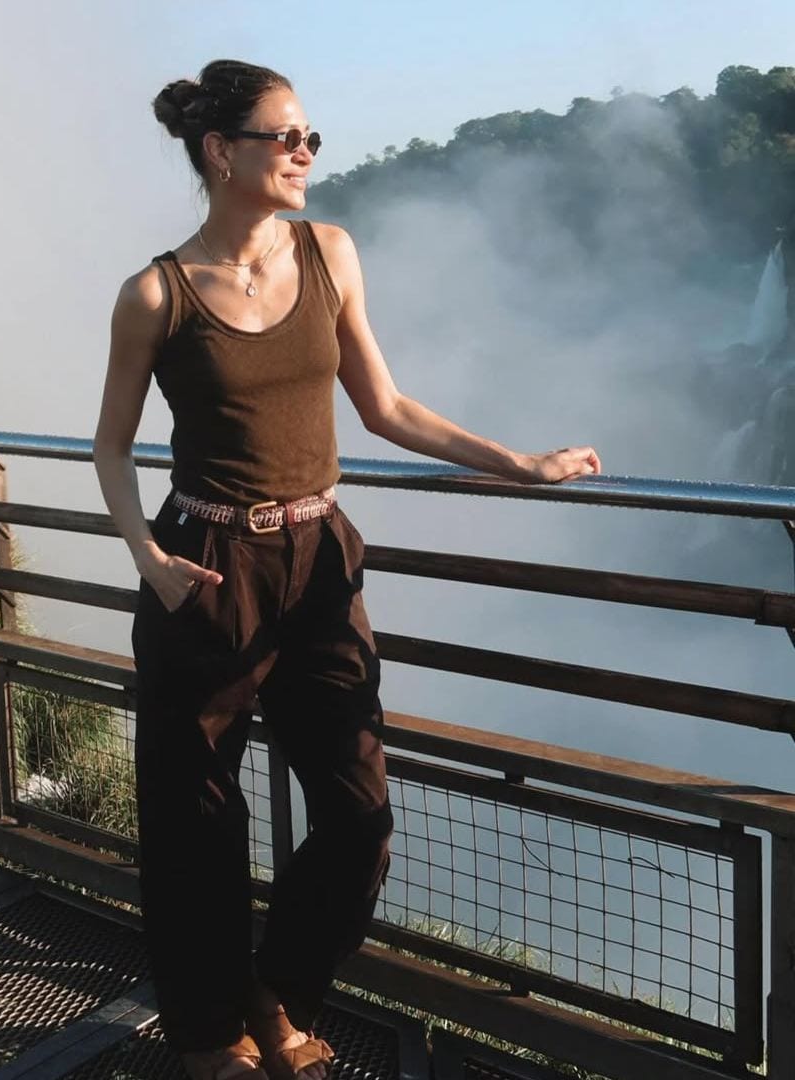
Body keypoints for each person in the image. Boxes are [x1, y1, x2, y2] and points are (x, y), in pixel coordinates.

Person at [93, 59, 601, 1080]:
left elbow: (386, 407)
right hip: (203, 564)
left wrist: (519, 463)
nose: (307, 154)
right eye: (287, 137)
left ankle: (276, 993)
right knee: (197, 822)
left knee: (359, 812)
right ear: (220, 151)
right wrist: (149, 558)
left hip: (320, 560)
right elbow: (109, 447)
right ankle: (208, 1039)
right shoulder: (155, 292)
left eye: (310, 137)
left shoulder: (330, 254)